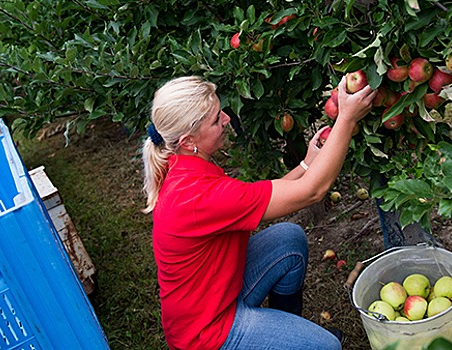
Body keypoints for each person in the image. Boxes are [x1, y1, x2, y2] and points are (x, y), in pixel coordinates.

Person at [142, 75, 376, 350]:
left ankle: (285, 336)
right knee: (326, 347)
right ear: (189, 140)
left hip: (217, 295)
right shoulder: (196, 196)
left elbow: (258, 196)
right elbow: (313, 192)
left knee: (288, 240)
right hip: (207, 334)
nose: (227, 119)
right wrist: (347, 120)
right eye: (217, 119)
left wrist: (305, 164)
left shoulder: (184, 165)